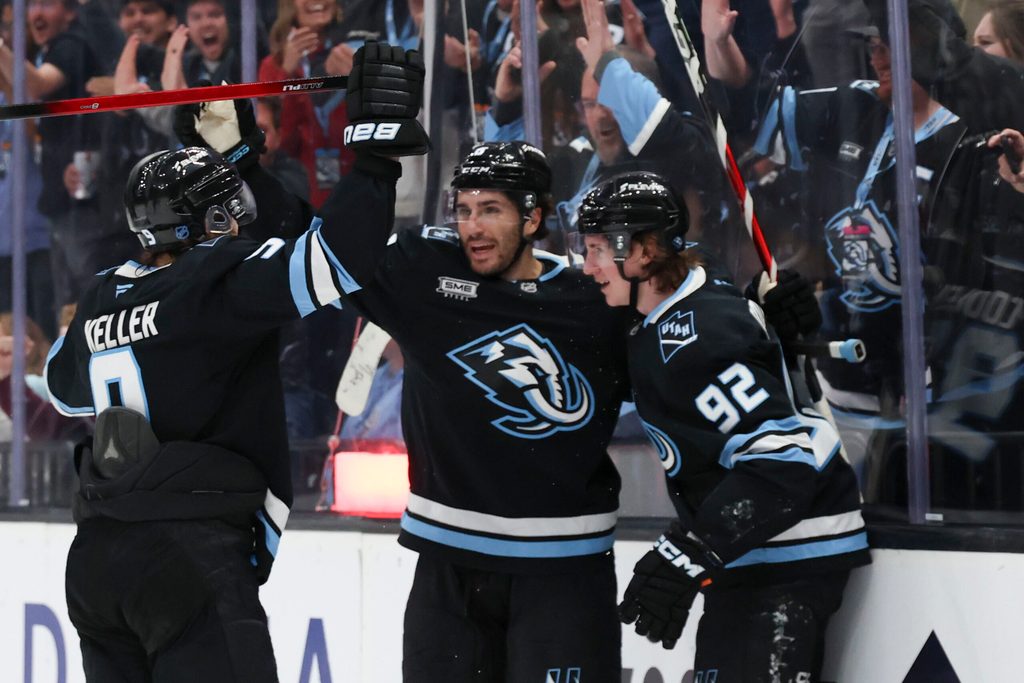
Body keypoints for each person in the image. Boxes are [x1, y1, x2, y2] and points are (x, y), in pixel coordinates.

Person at [43, 42, 427, 682]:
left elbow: (63, 390)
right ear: (208, 221)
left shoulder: (102, 293)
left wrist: (241, 159)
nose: (238, 226)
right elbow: (336, 260)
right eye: (227, 213)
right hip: (186, 554)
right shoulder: (211, 279)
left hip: (97, 559)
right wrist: (377, 157)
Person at [313, 139, 632, 681]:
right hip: (448, 566)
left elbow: (682, 332)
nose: (473, 228)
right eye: (464, 210)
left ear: (533, 217)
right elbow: (328, 254)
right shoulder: (424, 275)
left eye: (491, 210)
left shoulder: (595, 299)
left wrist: (763, 320)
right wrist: (251, 162)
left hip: (564, 571)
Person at [576, 170, 869, 679]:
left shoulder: (699, 340)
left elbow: (781, 466)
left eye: (599, 249)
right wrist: (759, 299)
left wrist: (687, 552)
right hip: (750, 556)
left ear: (644, 253)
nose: (588, 266)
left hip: (787, 556)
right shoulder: (686, 285)